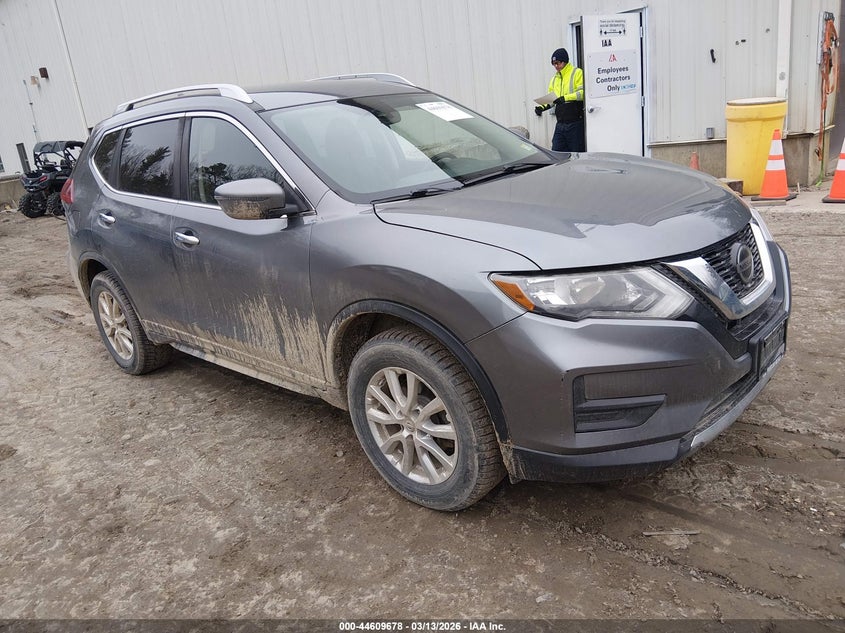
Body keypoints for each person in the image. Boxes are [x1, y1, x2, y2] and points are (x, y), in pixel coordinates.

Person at [535, 48, 585, 152]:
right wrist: (542, 107)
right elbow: (552, 99)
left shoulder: (577, 73)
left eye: (558, 63)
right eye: (554, 64)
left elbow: (583, 93)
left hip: (575, 123)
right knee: (556, 153)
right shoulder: (554, 79)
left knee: (576, 154)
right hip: (560, 124)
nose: (556, 66)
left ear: (565, 61)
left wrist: (565, 98)